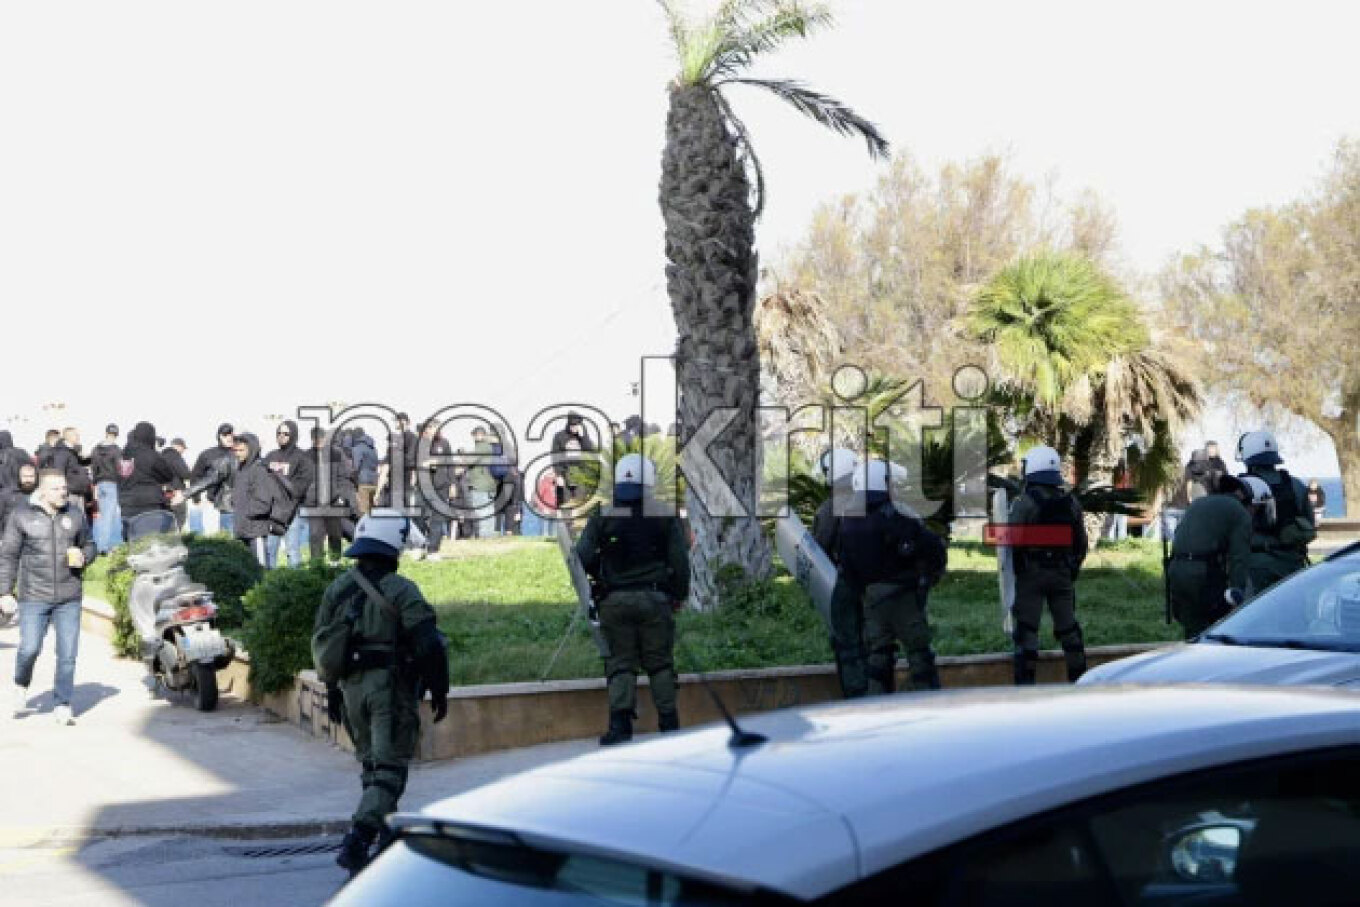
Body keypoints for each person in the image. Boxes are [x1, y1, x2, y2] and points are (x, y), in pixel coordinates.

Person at [314, 510, 447, 877]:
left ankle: (386, 836)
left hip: (351, 689)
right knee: (390, 771)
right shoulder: (402, 590)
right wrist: (440, 689)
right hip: (388, 690)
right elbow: (429, 645)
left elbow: (324, 645)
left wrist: (333, 691)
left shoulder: (337, 590)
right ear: (393, 546)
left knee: (373, 767)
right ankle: (358, 838)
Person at [576, 454, 689, 745]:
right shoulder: (665, 516)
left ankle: (619, 729)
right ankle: (670, 726)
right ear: (650, 482)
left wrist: (598, 576)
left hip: (614, 602)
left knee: (620, 664)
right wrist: (678, 595)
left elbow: (581, 558)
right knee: (660, 664)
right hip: (655, 600)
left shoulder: (602, 515)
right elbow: (680, 562)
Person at [836, 459, 946, 694]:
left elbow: (846, 567)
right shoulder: (897, 515)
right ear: (882, 483)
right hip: (903, 597)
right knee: (919, 655)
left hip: (871, 599)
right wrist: (929, 577)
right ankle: (930, 703)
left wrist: (863, 592)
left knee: (878, 658)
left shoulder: (848, 520)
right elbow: (930, 546)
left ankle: (878, 705)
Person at [1, 470, 97, 724]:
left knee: (67, 655)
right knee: (29, 648)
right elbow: (8, 555)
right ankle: (21, 684)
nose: (63, 493)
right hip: (33, 595)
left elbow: (90, 544)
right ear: (42, 491)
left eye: (64, 488)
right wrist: (4, 592)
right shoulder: (21, 515)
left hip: (69, 595)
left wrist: (85, 556)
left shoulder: (75, 515)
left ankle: (62, 703)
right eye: (56, 488)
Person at [1006, 445, 1089, 685]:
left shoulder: (1024, 503)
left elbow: (1012, 541)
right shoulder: (1071, 503)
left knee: (1027, 630)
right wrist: (1071, 570)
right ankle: (1080, 681)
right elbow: (1081, 543)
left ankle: (1025, 686)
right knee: (1069, 630)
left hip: (1031, 575)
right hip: (1061, 574)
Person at [810, 448, 869, 698]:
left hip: (845, 587)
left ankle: (858, 699)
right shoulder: (873, 501)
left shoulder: (829, 509)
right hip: (877, 587)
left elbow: (818, 550)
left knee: (848, 647)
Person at [1166, 475, 1255, 639]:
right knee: (1216, 630)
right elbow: (1239, 559)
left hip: (1176, 571)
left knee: (1192, 631)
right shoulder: (1239, 512)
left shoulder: (1198, 503)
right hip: (1203, 575)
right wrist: (1237, 593)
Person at [182, 432, 278, 567]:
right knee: (245, 568)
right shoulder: (240, 469)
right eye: (235, 450)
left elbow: (263, 503)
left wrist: (243, 512)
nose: (237, 454)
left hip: (255, 531)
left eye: (241, 450)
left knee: (260, 569)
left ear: (252, 450)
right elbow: (213, 479)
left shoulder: (259, 471)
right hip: (241, 528)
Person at [1237, 430, 1315, 595]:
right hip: (1292, 565)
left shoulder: (1240, 487)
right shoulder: (1296, 485)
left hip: (1255, 567)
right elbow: (1310, 524)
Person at [117, 422, 179, 542]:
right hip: (148, 506)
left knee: (131, 543)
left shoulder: (123, 455)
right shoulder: (151, 454)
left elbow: (119, 477)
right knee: (149, 543)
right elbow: (168, 475)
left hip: (126, 505)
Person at [264, 421, 314, 567]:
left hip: (293, 510)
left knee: (292, 550)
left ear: (293, 435)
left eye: (286, 433)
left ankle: (294, 580)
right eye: (279, 433)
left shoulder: (303, 457)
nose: (281, 436)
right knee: (269, 549)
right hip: (272, 510)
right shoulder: (270, 455)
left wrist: (279, 476)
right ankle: (269, 579)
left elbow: (300, 488)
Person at [306, 428, 359, 564]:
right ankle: (317, 565)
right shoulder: (306, 455)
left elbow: (344, 477)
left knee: (334, 535)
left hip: (333, 501)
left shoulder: (337, 454)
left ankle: (335, 564)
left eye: (320, 439)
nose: (318, 442)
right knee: (315, 536)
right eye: (315, 439)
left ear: (325, 438)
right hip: (314, 503)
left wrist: (345, 497)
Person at [190, 424, 238, 535]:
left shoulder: (239, 453)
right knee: (215, 537)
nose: (229, 437)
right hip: (211, 502)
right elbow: (195, 476)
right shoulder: (207, 454)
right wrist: (196, 498)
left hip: (234, 503)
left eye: (231, 434)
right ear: (219, 436)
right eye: (225, 435)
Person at [551, 412, 596, 507]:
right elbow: (555, 457)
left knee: (581, 503)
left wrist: (583, 437)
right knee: (565, 504)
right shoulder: (559, 436)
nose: (574, 428)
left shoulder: (584, 437)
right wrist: (558, 475)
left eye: (576, 425)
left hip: (582, 475)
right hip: (565, 473)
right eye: (572, 425)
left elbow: (589, 451)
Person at [90, 424, 124, 552]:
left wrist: (95, 482)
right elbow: (120, 468)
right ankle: (103, 548)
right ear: (116, 435)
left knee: (102, 516)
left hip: (100, 483)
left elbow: (93, 467)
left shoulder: (96, 449)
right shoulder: (116, 450)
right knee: (109, 517)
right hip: (112, 483)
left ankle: (99, 544)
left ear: (106, 433)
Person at [0, 463, 39, 537]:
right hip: (9, 537)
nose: (28, 480)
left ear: (36, 477)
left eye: (31, 476)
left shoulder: (42, 494)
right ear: (19, 477)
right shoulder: (7, 495)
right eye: (25, 476)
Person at [161, 438, 192, 528]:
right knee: (179, 518)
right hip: (176, 492)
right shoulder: (175, 456)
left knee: (165, 518)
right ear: (179, 446)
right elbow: (185, 474)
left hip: (162, 492)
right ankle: (176, 535)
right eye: (183, 448)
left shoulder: (160, 456)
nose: (183, 451)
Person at [349, 429, 380, 516]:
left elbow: (356, 467)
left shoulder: (357, 448)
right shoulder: (373, 448)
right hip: (374, 480)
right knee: (371, 508)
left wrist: (350, 477)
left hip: (363, 480)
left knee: (363, 509)